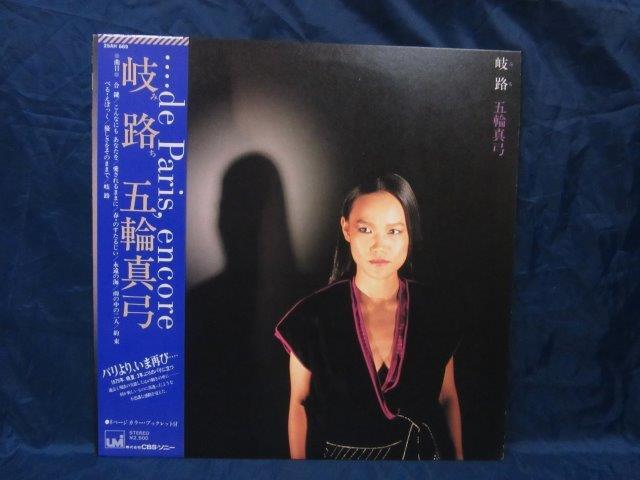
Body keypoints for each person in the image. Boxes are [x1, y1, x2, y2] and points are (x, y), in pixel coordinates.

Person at [274, 173, 463, 460]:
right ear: (346, 229)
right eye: (365, 230)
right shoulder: (312, 316)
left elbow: (446, 396)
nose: (379, 246)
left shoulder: (435, 310)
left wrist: (458, 464)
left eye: (394, 231)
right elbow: (300, 403)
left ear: (410, 232)